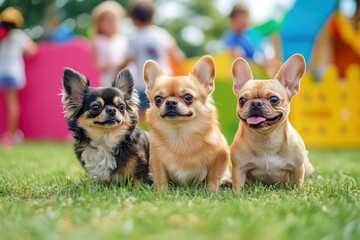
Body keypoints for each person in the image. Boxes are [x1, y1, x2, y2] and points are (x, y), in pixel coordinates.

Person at [118, 0, 184, 114]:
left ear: (134, 19)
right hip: (166, 82)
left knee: (143, 114)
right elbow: (178, 57)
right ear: (153, 16)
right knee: (165, 112)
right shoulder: (162, 34)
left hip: (145, 84)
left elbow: (125, 63)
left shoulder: (135, 38)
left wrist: (116, 74)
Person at [0, 7, 37, 148]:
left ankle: (11, 133)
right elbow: (32, 50)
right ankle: (11, 135)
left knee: (8, 104)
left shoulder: (2, 35)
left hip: (1, 73)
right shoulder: (18, 35)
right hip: (14, 73)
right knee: (12, 105)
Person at [91, 1, 128, 87]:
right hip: (108, 81)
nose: (111, 24)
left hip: (124, 80)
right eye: (107, 21)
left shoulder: (122, 39)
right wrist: (108, 65)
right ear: (99, 23)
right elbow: (96, 64)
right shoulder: (98, 41)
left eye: (113, 20)